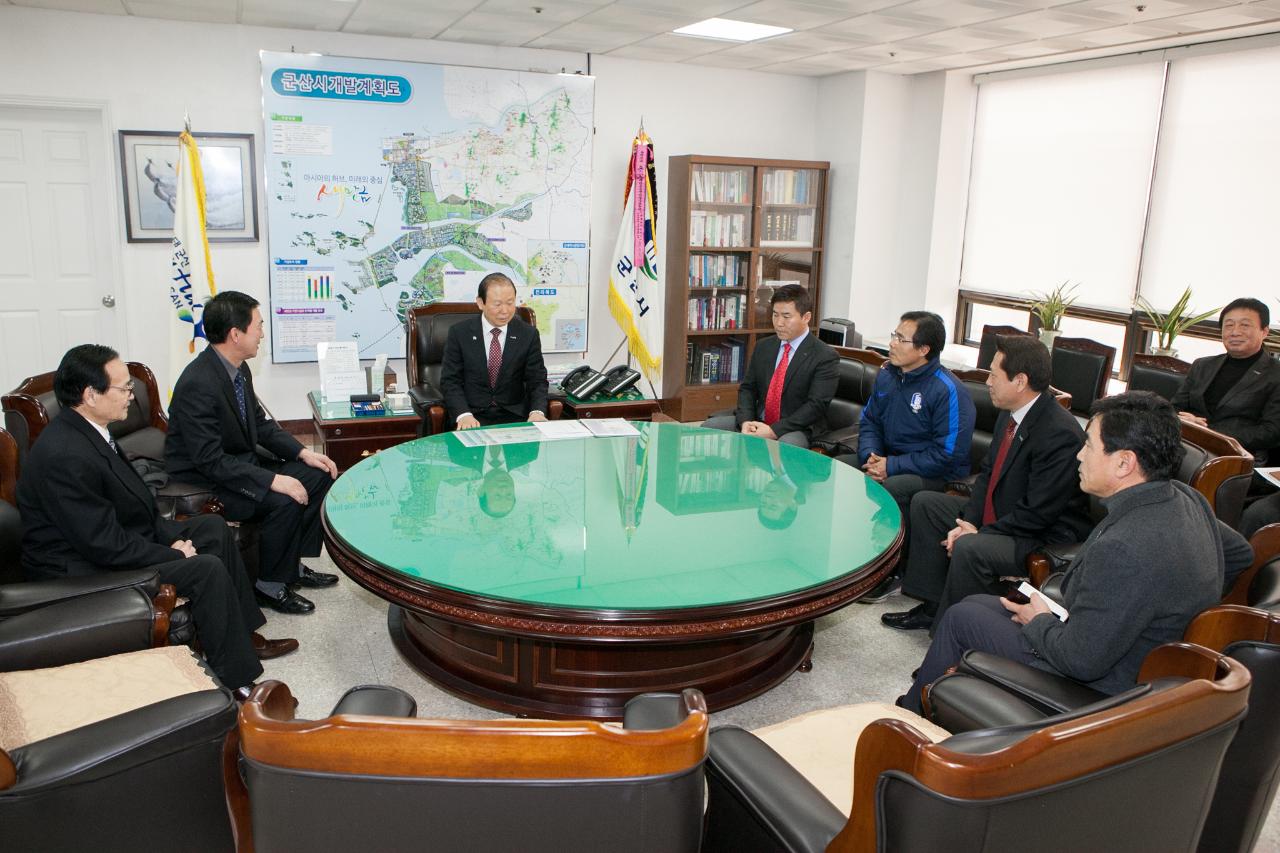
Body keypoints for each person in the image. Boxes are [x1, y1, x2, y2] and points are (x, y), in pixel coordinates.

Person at [899, 391, 1253, 714]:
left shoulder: (1125, 547)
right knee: (977, 603)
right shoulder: (1183, 496)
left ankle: (911, 715)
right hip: (1125, 649)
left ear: (1123, 463)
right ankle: (923, 702)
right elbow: (1240, 555)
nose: (1079, 455)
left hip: (1109, 683)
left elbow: (1081, 661)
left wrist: (1039, 621)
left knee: (963, 619)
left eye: (1088, 445)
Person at [17, 345, 297, 696]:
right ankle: (238, 682)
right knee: (204, 568)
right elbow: (104, 546)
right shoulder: (64, 455)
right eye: (124, 389)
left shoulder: (93, 430)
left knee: (210, 529)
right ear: (90, 394)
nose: (131, 398)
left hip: (114, 540)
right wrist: (174, 554)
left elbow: (137, 512)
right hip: (81, 568)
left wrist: (171, 540)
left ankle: (240, 636)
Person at [882, 335, 1091, 631]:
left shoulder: (1059, 433)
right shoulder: (1010, 413)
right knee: (927, 503)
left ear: (1020, 381)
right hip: (1005, 513)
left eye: (994, 374)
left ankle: (950, 634)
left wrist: (977, 531)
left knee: (969, 546)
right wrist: (968, 521)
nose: (988, 381)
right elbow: (988, 474)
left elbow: (1038, 512)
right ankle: (932, 603)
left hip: (1041, 534)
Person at [165, 291, 338, 616]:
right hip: (205, 482)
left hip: (237, 465)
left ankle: (290, 566)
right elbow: (209, 460)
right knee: (285, 497)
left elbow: (260, 425)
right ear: (235, 334)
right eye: (258, 325)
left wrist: (302, 453)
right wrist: (274, 480)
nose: (262, 333)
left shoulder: (237, 368)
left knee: (318, 474)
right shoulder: (198, 383)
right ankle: (270, 585)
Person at [841, 311, 976, 601]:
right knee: (840, 468)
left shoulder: (948, 390)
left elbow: (948, 454)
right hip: (887, 459)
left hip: (934, 475)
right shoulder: (888, 374)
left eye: (901, 339)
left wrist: (892, 466)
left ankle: (890, 571)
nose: (892, 344)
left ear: (924, 349)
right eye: (893, 335)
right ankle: (849, 554)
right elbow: (870, 422)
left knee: (894, 488)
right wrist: (872, 456)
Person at [704, 283, 838, 447]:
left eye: (786, 316)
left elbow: (815, 406)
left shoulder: (824, 356)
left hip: (796, 428)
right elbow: (748, 389)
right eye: (775, 315)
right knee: (709, 428)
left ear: (806, 317)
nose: (779, 323)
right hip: (758, 420)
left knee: (785, 446)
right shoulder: (764, 346)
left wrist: (773, 430)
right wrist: (746, 421)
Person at [1171, 297, 1280, 464]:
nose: (1235, 332)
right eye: (1229, 325)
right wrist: (1182, 421)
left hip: (1238, 457)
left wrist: (1208, 433)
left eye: (1245, 325)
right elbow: (1175, 408)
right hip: (1187, 447)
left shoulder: (1275, 373)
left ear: (1264, 331)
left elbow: (1271, 432)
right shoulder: (1203, 365)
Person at [441, 273, 550, 429]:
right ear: (480, 303)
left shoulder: (528, 334)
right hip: (472, 414)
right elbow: (450, 381)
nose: (505, 311)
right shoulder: (460, 333)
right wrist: (463, 414)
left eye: (510, 303)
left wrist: (537, 411)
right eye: (497, 304)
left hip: (515, 415)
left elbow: (537, 380)